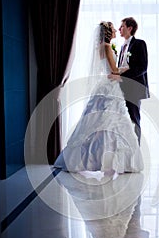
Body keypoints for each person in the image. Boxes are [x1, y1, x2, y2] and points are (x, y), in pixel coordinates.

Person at [54, 21, 143, 175]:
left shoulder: (101, 47)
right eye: (114, 28)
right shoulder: (108, 47)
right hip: (110, 86)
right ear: (108, 32)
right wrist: (126, 68)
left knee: (99, 122)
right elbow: (113, 70)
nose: (116, 30)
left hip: (106, 84)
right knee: (111, 122)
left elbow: (109, 68)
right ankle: (114, 161)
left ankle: (97, 158)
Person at [110, 17, 149, 144]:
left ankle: (136, 151)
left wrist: (121, 77)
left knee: (134, 119)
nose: (119, 29)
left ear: (130, 28)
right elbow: (122, 66)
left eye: (122, 26)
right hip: (120, 89)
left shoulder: (139, 44)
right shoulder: (122, 47)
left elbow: (142, 68)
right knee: (122, 121)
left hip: (134, 89)